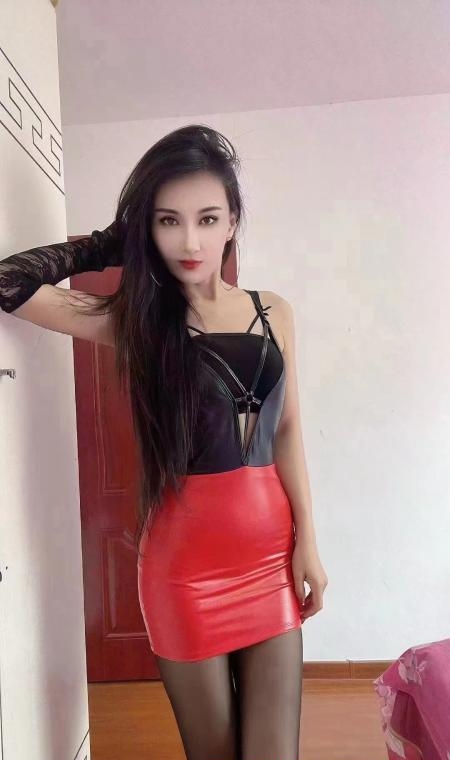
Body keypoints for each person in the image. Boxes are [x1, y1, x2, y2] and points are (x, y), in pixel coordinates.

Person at [0, 124, 328, 760]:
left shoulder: (274, 311)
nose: (190, 240)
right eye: (167, 221)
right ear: (147, 231)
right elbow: (9, 281)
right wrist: (107, 244)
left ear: (233, 222)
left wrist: (307, 543)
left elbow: (287, 430)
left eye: (207, 218)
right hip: (185, 573)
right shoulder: (135, 321)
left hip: (269, 560)